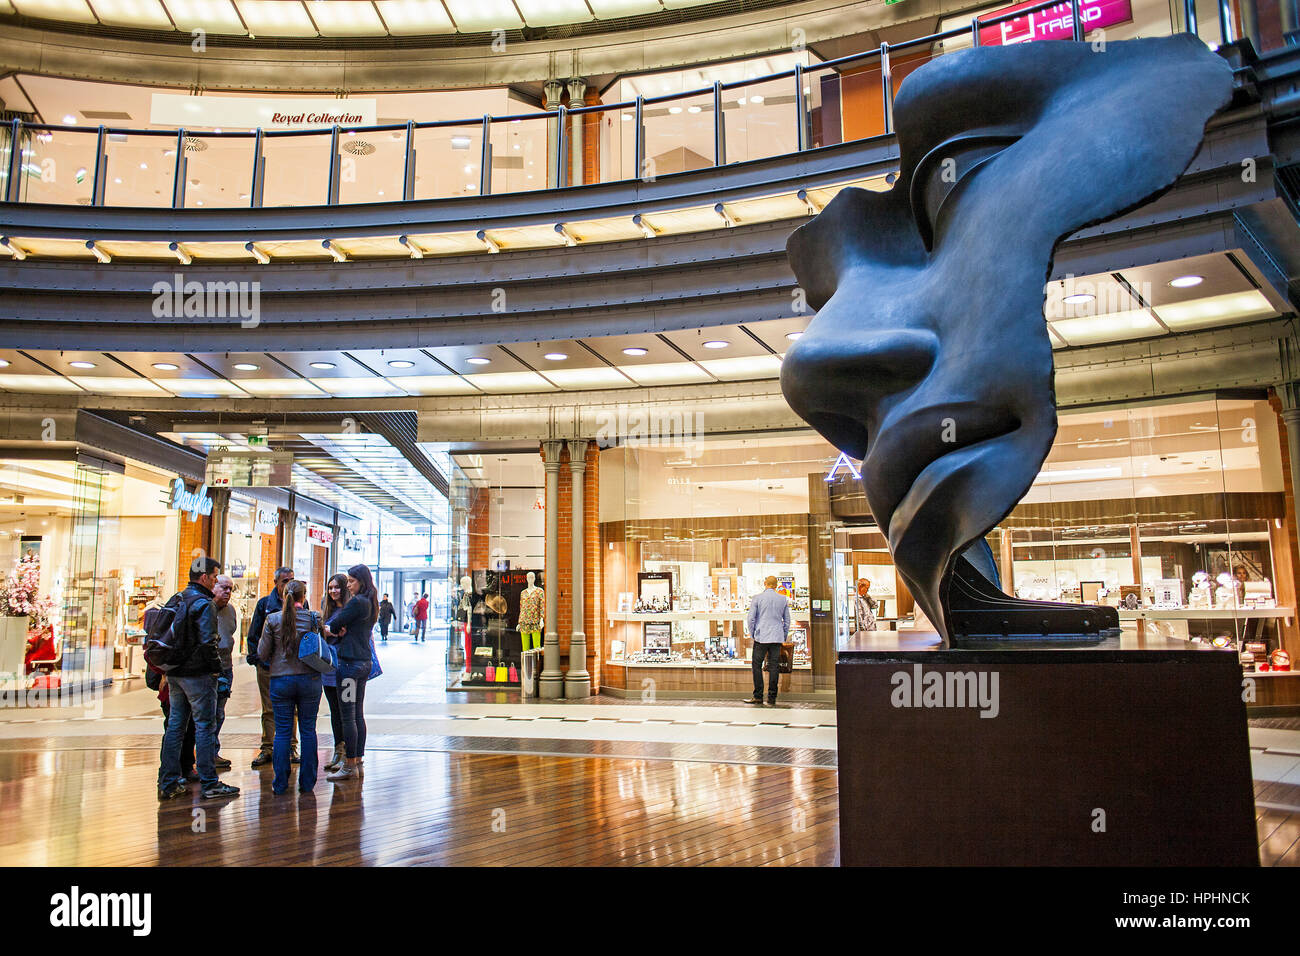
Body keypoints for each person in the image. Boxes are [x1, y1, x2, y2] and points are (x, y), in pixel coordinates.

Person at [157, 557, 240, 800]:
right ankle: (210, 782)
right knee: (205, 725)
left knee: (175, 726)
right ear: (204, 577)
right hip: (198, 674)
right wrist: (216, 670)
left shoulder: (178, 598)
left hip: (175, 673)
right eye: (214, 577)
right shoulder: (204, 604)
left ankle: (168, 781)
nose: (215, 582)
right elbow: (208, 642)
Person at [257, 580, 325, 795]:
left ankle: (280, 782)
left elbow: (262, 653)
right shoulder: (314, 617)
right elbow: (319, 646)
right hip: (310, 680)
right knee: (307, 730)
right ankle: (307, 783)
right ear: (303, 597)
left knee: (282, 732)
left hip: (280, 681)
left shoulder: (273, 619)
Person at [324, 564, 379, 781]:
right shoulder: (371, 602)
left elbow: (334, 624)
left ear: (361, 581)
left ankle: (348, 764)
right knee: (357, 713)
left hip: (349, 665)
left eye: (351, 581)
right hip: (363, 662)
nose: (348, 585)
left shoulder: (357, 602)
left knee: (347, 715)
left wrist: (336, 628)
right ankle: (357, 760)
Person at [246, 567, 298, 768]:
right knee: (269, 709)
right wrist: (258, 660)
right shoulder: (264, 604)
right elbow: (254, 634)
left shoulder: (299, 603)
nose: (288, 584)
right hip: (268, 666)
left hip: (291, 666)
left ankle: (291, 747)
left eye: (292, 580)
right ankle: (267, 747)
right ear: (276, 582)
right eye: (285, 580)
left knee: (292, 709)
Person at [743, 575, 791, 706]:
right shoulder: (783, 599)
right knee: (774, 666)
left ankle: (758, 695)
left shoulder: (757, 598)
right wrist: (783, 635)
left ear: (765, 583)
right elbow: (787, 620)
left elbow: (751, 619)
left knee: (756, 665)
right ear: (776, 585)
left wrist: (752, 633)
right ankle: (772, 697)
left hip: (761, 636)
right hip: (776, 637)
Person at [321, 573, 349, 774]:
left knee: (347, 711)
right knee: (334, 711)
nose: (333, 591)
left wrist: (328, 630)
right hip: (328, 667)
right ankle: (337, 751)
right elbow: (321, 630)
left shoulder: (350, 608)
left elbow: (347, 632)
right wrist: (329, 631)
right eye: (330, 587)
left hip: (346, 666)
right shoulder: (327, 608)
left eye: (337, 587)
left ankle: (349, 754)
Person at [211, 574, 237, 770]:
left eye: (230, 588)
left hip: (226, 668)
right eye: (224, 588)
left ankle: (213, 751)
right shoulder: (205, 609)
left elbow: (231, 634)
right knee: (207, 714)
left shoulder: (230, 611)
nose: (227, 592)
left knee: (219, 713)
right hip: (209, 670)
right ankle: (204, 754)